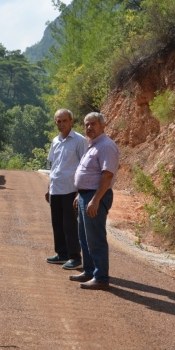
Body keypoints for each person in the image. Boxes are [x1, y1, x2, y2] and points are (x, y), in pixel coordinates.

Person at [69, 112, 119, 290]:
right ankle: (89, 271)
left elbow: (107, 175)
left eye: (93, 124)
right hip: (86, 196)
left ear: (103, 125)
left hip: (96, 196)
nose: (89, 127)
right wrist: (79, 194)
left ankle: (101, 277)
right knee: (84, 237)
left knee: (95, 238)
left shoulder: (106, 146)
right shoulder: (93, 145)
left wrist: (95, 199)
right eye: (87, 124)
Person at [45, 109, 88, 270]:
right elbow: (53, 165)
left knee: (70, 224)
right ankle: (61, 254)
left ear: (71, 121)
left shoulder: (79, 140)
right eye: (59, 121)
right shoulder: (55, 141)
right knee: (57, 223)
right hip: (55, 188)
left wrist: (79, 191)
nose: (61, 124)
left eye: (64, 121)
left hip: (71, 189)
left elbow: (84, 166)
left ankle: (75, 257)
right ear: (55, 122)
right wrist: (49, 187)